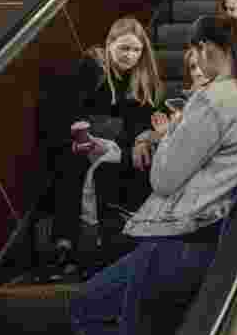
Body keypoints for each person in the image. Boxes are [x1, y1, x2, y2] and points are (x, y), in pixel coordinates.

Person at [70, 15, 237, 335]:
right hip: (209, 232)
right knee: (91, 305)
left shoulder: (212, 100)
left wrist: (169, 135)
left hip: (178, 237)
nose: (195, 60)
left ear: (207, 48)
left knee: (106, 324)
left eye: (196, 51)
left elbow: (163, 179)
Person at [39, 17, 164, 283]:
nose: (130, 56)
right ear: (109, 45)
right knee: (74, 164)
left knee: (108, 166)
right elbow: (70, 111)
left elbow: (145, 120)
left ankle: (84, 249)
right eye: (124, 49)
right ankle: (67, 246)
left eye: (136, 50)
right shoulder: (92, 69)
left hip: (115, 146)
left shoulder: (142, 79)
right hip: (81, 141)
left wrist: (141, 139)